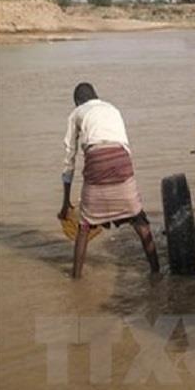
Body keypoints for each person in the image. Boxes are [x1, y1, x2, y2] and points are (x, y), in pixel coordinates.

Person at [58, 83, 159, 278]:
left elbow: (69, 160)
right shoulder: (112, 109)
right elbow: (124, 145)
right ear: (96, 96)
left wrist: (65, 205)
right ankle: (156, 272)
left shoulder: (77, 113)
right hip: (122, 162)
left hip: (97, 163)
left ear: (77, 102)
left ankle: (76, 280)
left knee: (84, 226)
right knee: (139, 220)